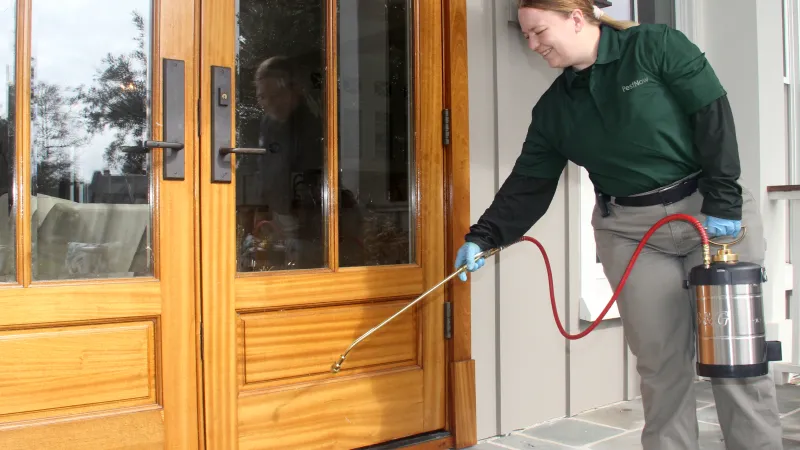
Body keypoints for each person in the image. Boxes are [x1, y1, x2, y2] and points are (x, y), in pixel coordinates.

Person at [455, 1, 784, 449]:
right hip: (631, 233)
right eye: (525, 36)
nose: (531, 45)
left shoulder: (655, 47)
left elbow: (713, 117)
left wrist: (724, 200)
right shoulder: (555, 108)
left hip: (708, 214)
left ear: (575, 17)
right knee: (660, 367)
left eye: (538, 31)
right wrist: (484, 235)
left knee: (735, 364)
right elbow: (529, 182)